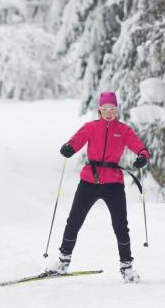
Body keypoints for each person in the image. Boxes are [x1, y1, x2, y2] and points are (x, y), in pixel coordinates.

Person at [47, 91, 150, 283]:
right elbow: (75, 141)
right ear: (99, 110)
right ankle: (63, 262)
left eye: (112, 109)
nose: (109, 112)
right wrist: (68, 147)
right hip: (89, 181)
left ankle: (127, 268)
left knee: (121, 226)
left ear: (117, 110)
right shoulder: (91, 127)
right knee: (74, 220)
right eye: (105, 109)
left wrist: (142, 156)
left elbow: (140, 147)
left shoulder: (123, 130)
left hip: (114, 184)